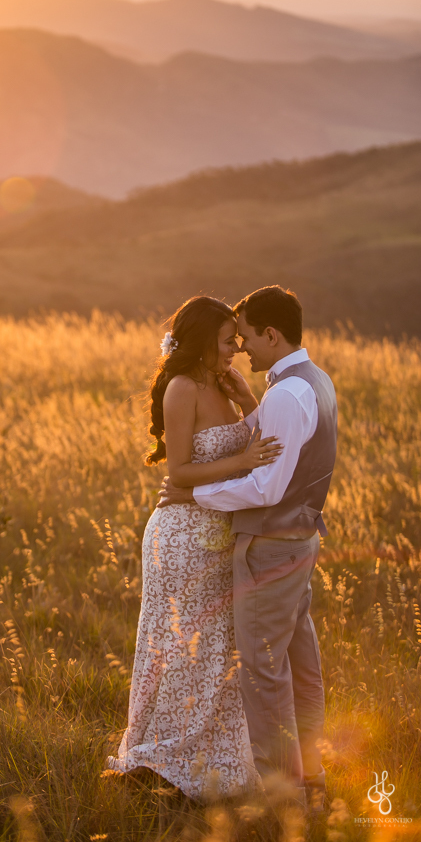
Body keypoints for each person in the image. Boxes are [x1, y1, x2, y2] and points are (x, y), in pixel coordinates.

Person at [158, 286, 337, 812]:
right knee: (300, 662)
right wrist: (246, 404)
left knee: (262, 670)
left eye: (248, 337)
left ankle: (284, 795)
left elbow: (265, 487)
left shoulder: (286, 393)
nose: (243, 348)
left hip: (272, 547)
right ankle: (312, 775)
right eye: (232, 339)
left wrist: (195, 494)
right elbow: (268, 446)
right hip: (300, 540)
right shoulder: (314, 382)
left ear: (271, 334)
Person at [106, 296, 283, 799]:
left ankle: (215, 763)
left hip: (221, 538)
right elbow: (178, 472)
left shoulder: (225, 386)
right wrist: (243, 456)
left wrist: (249, 401)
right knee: (181, 649)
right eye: (229, 341)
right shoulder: (182, 388)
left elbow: (257, 448)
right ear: (206, 340)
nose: (237, 349)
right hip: (182, 539)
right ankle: (161, 758)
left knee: (218, 651)